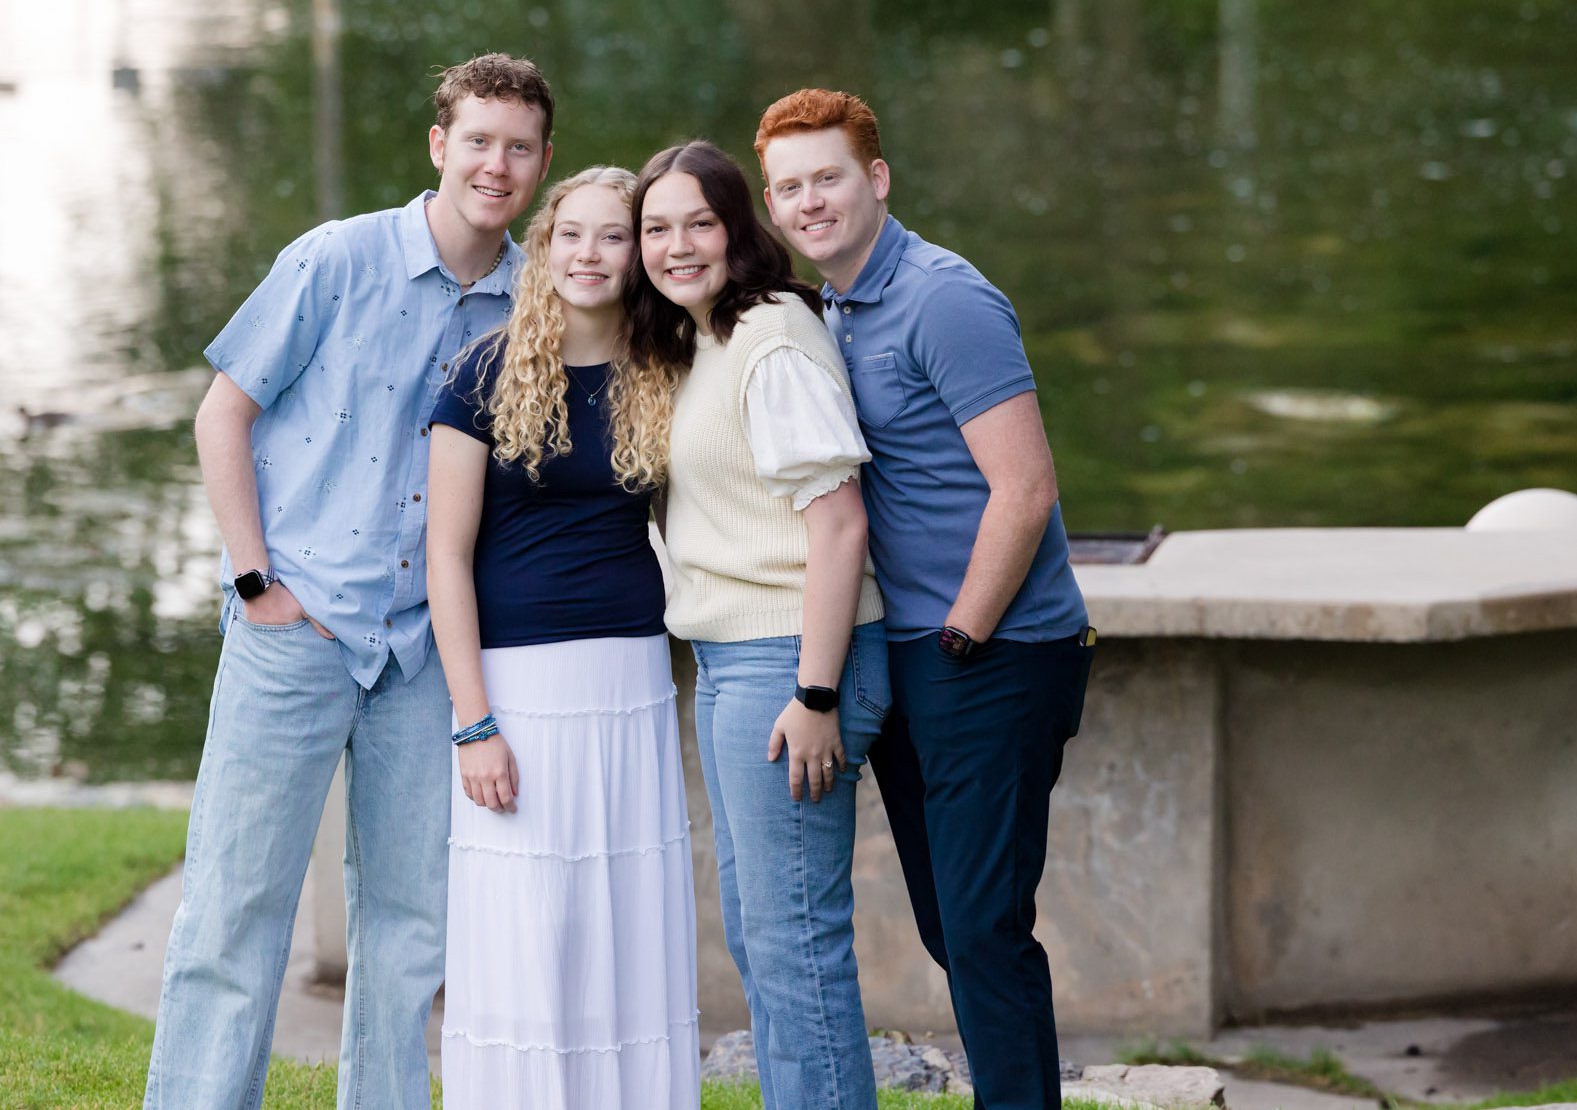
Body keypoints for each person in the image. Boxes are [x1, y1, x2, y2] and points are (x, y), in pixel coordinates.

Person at [143, 53, 553, 1110]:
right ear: (438, 146)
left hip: (424, 653)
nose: (495, 166)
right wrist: (252, 584)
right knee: (235, 910)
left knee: (412, 928)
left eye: (517, 148)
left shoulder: (532, 306)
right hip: (300, 627)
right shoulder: (335, 260)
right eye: (477, 142)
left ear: (541, 162)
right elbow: (220, 414)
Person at [754, 88, 1094, 1110]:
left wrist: (960, 634)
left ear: (876, 179)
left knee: (983, 926)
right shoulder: (829, 309)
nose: (808, 202)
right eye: (787, 188)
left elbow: (1024, 488)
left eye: (826, 177)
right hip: (907, 654)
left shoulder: (945, 298)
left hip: (992, 650)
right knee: (953, 924)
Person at [426, 166, 700, 1109]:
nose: (590, 254)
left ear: (640, 253)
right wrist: (473, 722)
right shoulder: (480, 372)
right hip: (516, 692)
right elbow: (445, 559)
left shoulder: (666, 371)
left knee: (626, 923)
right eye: (571, 235)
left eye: (613, 236)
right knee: (525, 928)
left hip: (629, 680)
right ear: (543, 248)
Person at [629, 138, 887, 1110]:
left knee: (795, 949)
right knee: (762, 937)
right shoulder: (702, 339)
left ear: (740, 229)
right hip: (737, 660)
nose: (676, 244)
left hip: (789, 661)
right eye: (657, 227)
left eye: (699, 221)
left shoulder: (770, 335)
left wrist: (814, 694)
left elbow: (837, 523)